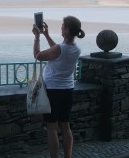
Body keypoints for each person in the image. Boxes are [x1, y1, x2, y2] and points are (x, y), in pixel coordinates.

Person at [32, 16, 85, 158]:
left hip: (52, 91)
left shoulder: (61, 48)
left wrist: (37, 37)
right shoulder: (76, 49)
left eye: (63, 26)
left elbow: (37, 55)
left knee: (52, 127)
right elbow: (57, 51)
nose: (61, 28)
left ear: (67, 29)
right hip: (68, 90)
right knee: (65, 126)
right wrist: (47, 35)